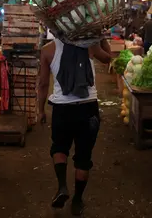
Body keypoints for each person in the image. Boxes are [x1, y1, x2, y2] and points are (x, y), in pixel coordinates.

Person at [38, 37, 112, 216]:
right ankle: (78, 200)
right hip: (88, 108)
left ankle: (62, 186)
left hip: (62, 108)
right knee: (83, 157)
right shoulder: (89, 44)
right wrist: (100, 37)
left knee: (59, 148)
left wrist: (40, 110)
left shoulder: (48, 49)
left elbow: (43, 84)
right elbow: (108, 58)